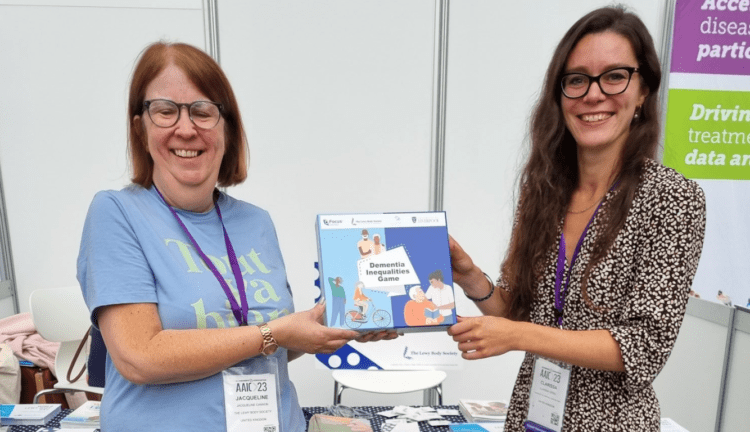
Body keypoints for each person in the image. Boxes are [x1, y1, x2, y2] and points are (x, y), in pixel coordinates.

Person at [77, 42, 394, 432]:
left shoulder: (256, 222)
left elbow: (269, 345)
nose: (186, 128)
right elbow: (140, 356)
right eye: (165, 111)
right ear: (140, 128)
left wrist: (334, 324)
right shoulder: (115, 213)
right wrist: (273, 332)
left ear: (227, 128)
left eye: (203, 111)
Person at [448, 7, 706, 432]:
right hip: (531, 418)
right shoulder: (543, 192)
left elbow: (643, 346)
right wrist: (470, 276)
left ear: (643, 90)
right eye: (577, 79)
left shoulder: (673, 199)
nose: (593, 95)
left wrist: (518, 337)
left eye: (615, 76)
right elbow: (521, 312)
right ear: (560, 94)